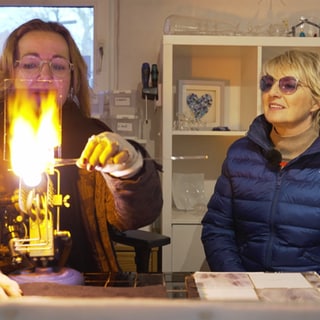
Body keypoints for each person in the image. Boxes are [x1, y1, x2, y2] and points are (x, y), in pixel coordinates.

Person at [0, 19, 162, 297]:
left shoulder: (93, 136)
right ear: (9, 71)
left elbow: (137, 216)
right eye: (30, 64)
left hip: (83, 291)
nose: (45, 74)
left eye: (59, 65)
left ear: (73, 78)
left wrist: (131, 167)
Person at [201, 49, 320, 273]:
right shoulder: (240, 153)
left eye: (288, 85)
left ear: (315, 102)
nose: (272, 92)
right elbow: (217, 228)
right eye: (267, 83)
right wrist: (239, 283)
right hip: (246, 293)